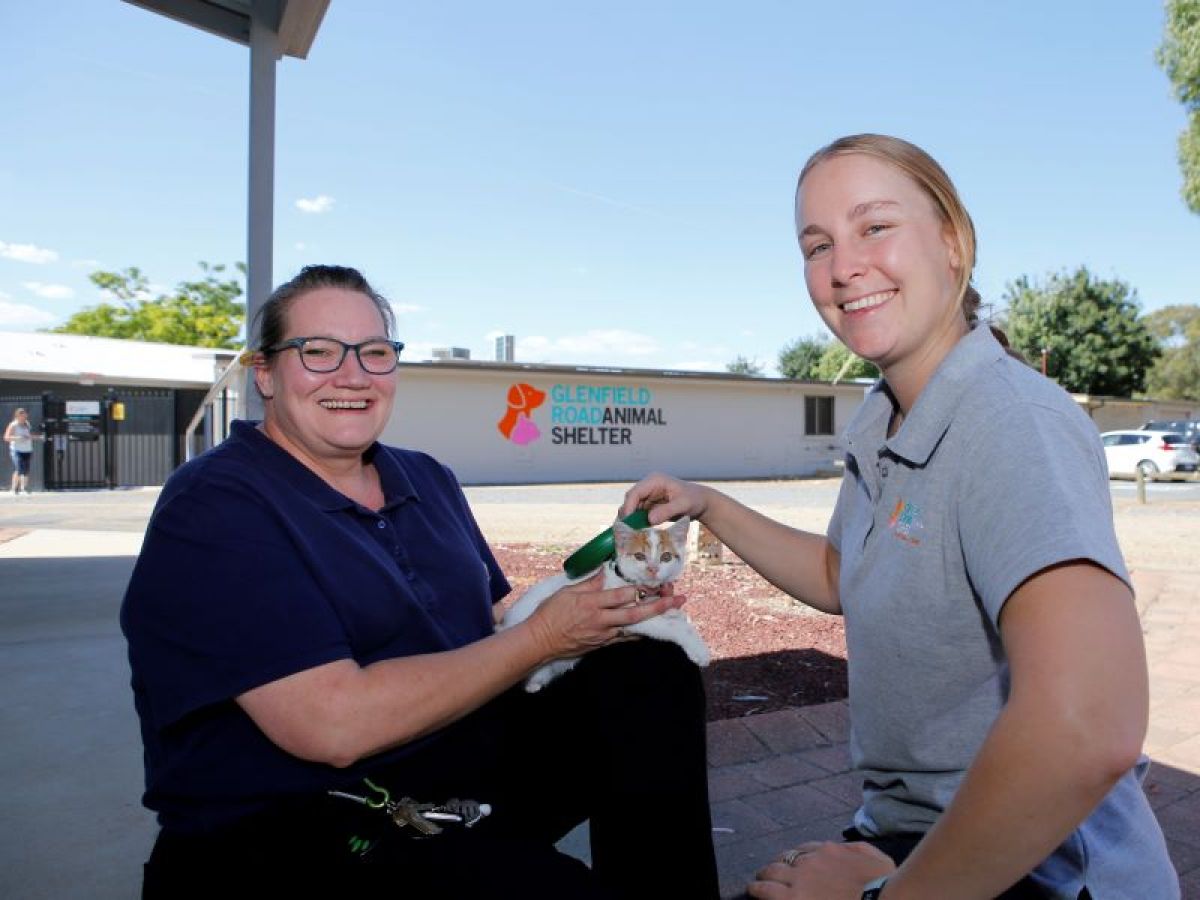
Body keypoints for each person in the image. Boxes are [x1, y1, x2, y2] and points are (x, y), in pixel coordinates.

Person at [622, 135, 1179, 900]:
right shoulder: (888, 421)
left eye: (874, 226)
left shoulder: (1008, 421)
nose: (842, 266)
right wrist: (711, 503)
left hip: (1040, 865)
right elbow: (838, 573)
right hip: (918, 834)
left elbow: (1089, 727)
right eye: (817, 244)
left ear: (954, 242)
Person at [120, 264, 720, 899]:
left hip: (445, 762)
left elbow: (490, 626)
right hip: (294, 822)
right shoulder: (217, 504)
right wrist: (546, 635)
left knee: (649, 672)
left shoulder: (424, 477)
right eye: (318, 352)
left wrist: (589, 608)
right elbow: (332, 728)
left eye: (375, 352)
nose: (352, 375)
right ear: (266, 374)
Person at [4, 407, 39, 495]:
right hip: (16, 449)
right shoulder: (13, 425)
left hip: (27, 449)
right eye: (22, 416)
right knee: (18, 468)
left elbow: (28, 435)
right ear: (17, 416)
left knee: (26, 470)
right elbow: (6, 437)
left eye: (25, 416)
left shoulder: (27, 424)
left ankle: (24, 488)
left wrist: (35, 437)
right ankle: (15, 488)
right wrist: (18, 438)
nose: (24, 417)